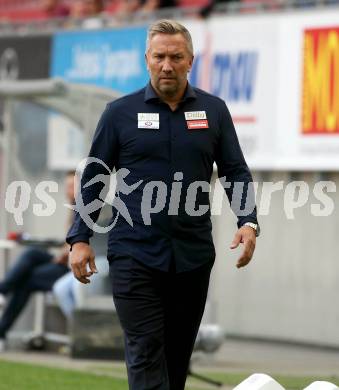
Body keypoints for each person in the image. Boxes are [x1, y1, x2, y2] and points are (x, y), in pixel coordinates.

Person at [67, 19, 259, 390]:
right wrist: (79, 238)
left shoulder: (214, 111)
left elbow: (235, 171)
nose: (166, 65)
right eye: (159, 57)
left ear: (191, 60)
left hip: (192, 257)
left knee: (175, 360)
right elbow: (95, 178)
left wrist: (248, 221)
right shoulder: (119, 114)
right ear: (146, 59)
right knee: (145, 350)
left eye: (176, 57)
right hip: (135, 255)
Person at [0, 171, 75, 351]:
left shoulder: (87, 209)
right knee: (32, 253)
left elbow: (82, 245)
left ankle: (1, 330)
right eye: (67, 186)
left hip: (73, 268)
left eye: (73, 186)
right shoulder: (72, 208)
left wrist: (65, 254)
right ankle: (2, 292)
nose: (69, 190)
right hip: (63, 260)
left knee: (25, 281)